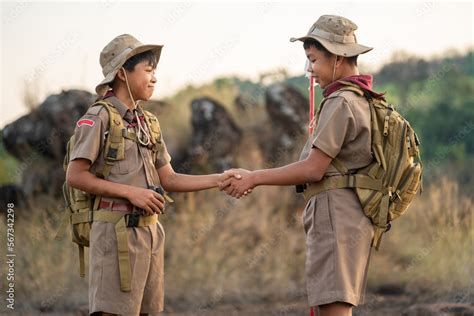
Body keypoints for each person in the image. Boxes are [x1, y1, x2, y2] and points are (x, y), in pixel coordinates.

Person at [220, 15, 384, 316]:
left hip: (336, 219)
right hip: (342, 218)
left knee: (334, 308)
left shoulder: (341, 102)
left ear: (338, 58)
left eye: (314, 60)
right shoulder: (361, 99)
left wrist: (254, 177)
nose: (309, 70)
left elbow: (313, 170)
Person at [66, 34, 239, 316]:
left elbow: (169, 179)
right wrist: (131, 192)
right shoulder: (98, 117)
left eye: (154, 71)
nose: (155, 78)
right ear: (122, 73)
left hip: (150, 232)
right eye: (148, 70)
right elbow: (75, 176)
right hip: (114, 233)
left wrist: (220, 179)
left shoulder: (148, 122)